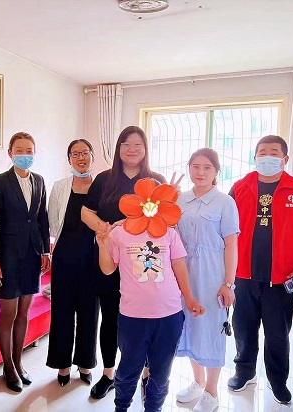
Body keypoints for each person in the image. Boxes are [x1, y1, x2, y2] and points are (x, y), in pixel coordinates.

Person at [228, 135, 293, 405]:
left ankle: (278, 380)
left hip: (283, 277)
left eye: (273, 152)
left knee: (278, 334)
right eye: (262, 152)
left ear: (285, 159)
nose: (267, 156)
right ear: (254, 157)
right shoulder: (240, 187)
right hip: (243, 274)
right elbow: (225, 230)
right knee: (243, 328)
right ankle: (244, 371)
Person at [95, 177, 205, 412]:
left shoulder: (169, 232)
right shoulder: (119, 232)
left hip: (169, 315)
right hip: (133, 316)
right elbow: (108, 269)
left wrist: (189, 298)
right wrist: (103, 245)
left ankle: (153, 408)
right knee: (128, 370)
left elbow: (178, 266)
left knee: (161, 374)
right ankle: (121, 407)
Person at [81, 125, 166, 399]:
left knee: (144, 319)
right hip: (108, 258)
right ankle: (109, 374)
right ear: (118, 149)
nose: (132, 150)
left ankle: (146, 373)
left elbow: (164, 221)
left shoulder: (156, 181)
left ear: (146, 149)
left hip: (143, 262)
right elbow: (85, 212)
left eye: (137, 145)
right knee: (109, 318)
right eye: (126, 144)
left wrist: (127, 226)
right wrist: (106, 230)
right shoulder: (104, 179)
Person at [175, 148, 239, 412]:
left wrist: (229, 283)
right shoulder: (180, 199)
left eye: (207, 168)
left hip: (213, 275)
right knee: (189, 325)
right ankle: (198, 381)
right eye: (195, 166)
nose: (200, 172)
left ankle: (212, 391)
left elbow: (232, 245)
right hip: (183, 272)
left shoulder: (225, 202)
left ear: (216, 172)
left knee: (212, 329)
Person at [0, 132, 50, 393]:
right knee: (9, 313)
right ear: (10, 153)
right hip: (7, 255)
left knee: (24, 312)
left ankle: (18, 361)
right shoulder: (0, 181)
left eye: (29, 151)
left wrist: (45, 251)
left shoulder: (39, 180)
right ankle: (8, 366)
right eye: (19, 150)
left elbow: (42, 217)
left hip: (32, 254)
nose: (24, 155)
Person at [46, 139, 99, 387]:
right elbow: (52, 221)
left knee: (90, 312)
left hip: (93, 258)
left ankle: (85, 363)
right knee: (62, 312)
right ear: (69, 159)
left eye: (85, 153)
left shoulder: (101, 186)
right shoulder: (60, 186)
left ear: (92, 156)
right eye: (75, 154)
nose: (81, 158)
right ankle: (63, 364)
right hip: (65, 257)